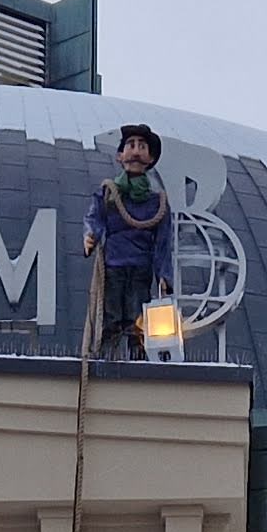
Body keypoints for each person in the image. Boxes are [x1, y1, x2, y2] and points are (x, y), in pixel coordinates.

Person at [82, 124, 174, 358]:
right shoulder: (109, 193)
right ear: (120, 155)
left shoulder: (157, 202)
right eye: (131, 145)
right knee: (111, 314)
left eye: (142, 146)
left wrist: (164, 274)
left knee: (137, 315)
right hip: (114, 264)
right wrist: (91, 235)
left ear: (150, 157)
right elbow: (95, 217)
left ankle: (138, 356)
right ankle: (107, 355)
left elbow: (162, 242)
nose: (136, 151)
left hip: (140, 267)